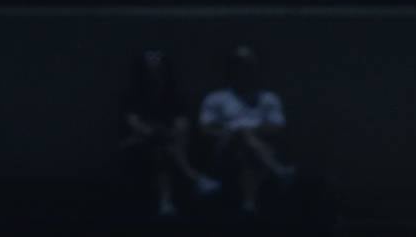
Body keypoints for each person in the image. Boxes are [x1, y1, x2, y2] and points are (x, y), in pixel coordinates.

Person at [120, 49, 221, 216]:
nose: (154, 74)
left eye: (158, 69)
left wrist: (167, 133)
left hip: (169, 143)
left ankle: (166, 202)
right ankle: (195, 179)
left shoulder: (175, 96)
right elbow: (134, 124)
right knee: (160, 144)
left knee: (162, 150)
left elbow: (182, 124)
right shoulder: (132, 96)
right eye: (149, 69)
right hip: (136, 141)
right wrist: (155, 132)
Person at [199, 45, 295, 214]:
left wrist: (248, 132)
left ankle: (248, 204)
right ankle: (278, 171)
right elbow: (205, 129)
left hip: (260, 149)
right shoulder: (216, 98)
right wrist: (231, 133)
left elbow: (277, 127)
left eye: (249, 66)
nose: (245, 71)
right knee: (242, 136)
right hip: (224, 149)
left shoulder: (269, 98)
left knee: (247, 149)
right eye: (240, 66)